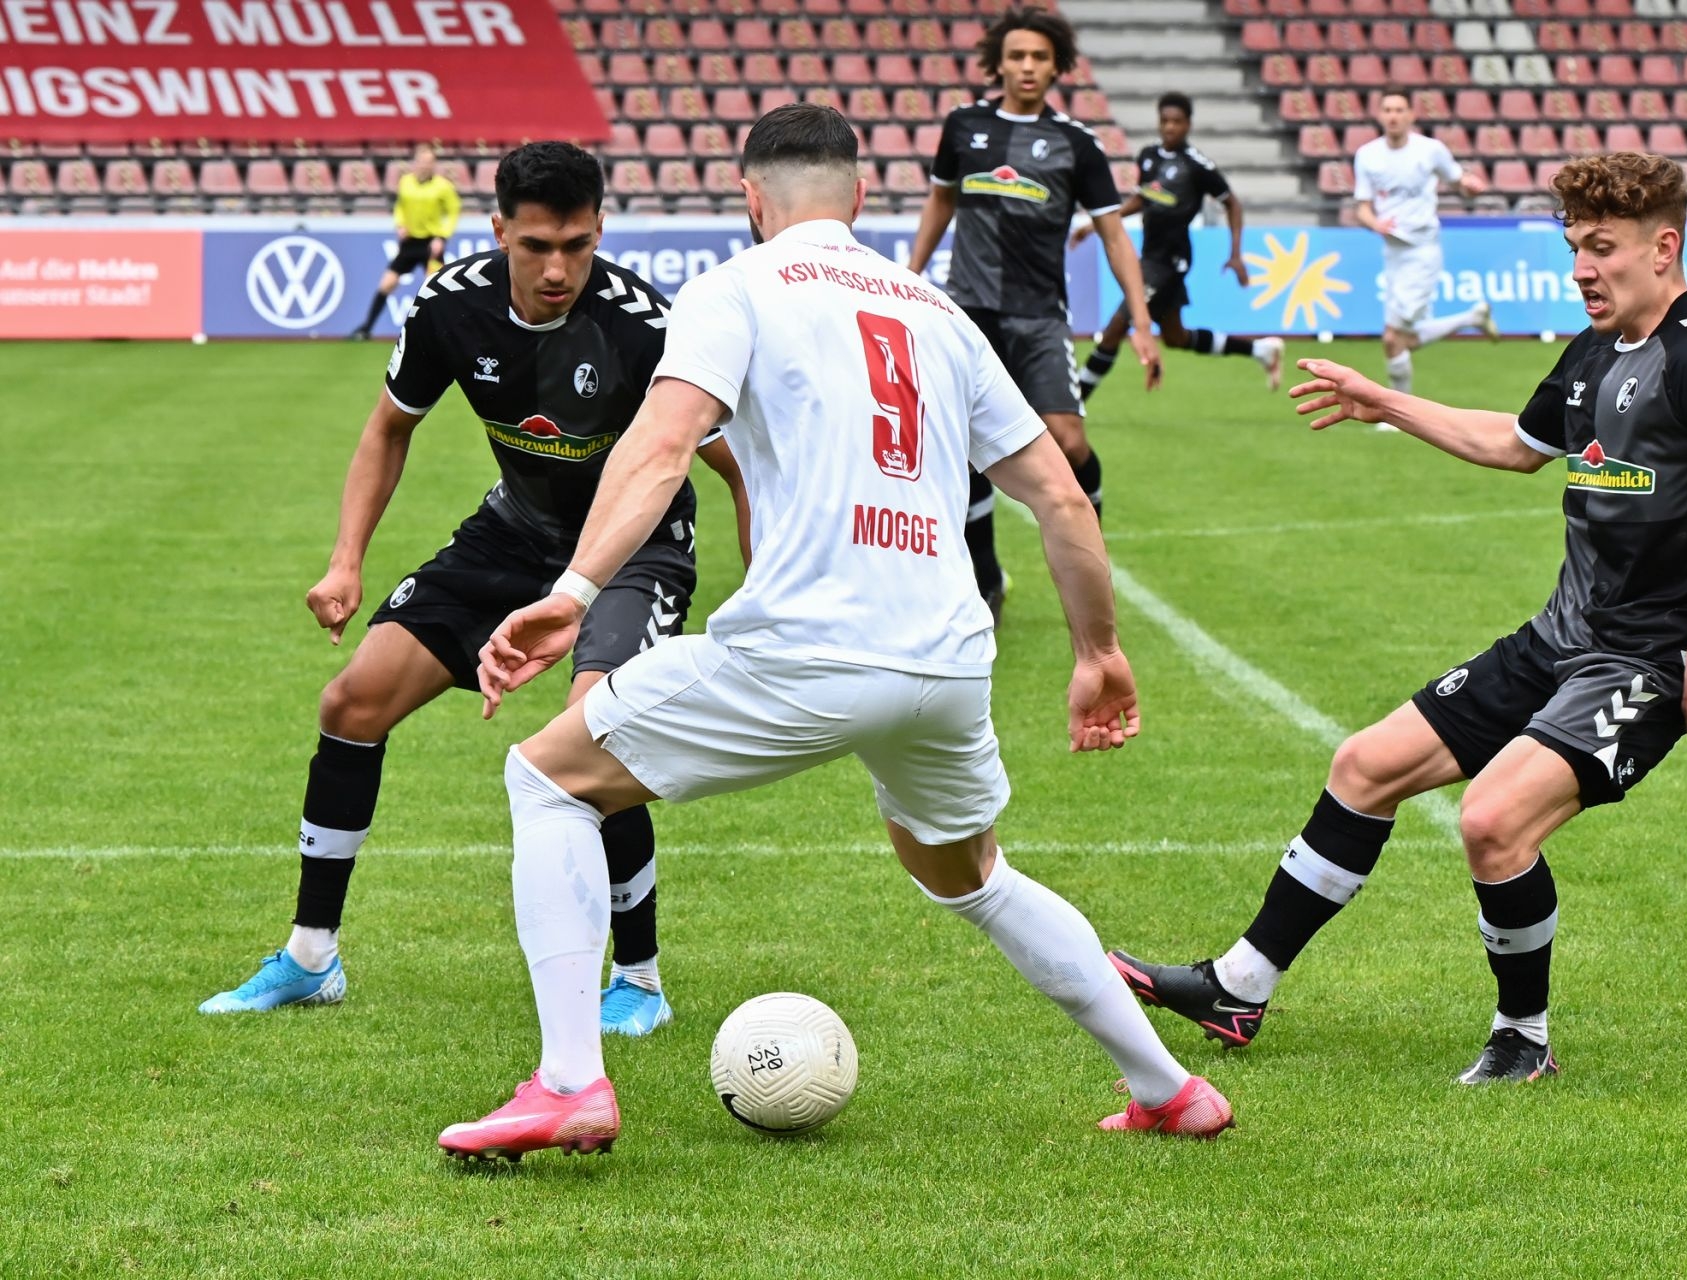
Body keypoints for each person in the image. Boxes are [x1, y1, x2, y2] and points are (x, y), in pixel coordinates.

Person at [436, 105, 1232, 1162]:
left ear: (750, 200)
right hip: (946, 661)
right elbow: (1059, 494)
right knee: (974, 875)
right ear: (859, 197)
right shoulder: (938, 312)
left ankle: (570, 1082)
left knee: (547, 780)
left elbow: (663, 443)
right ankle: (1170, 1088)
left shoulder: (735, 288)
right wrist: (1099, 653)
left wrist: (574, 590)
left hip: (806, 650)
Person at [1109, 152, 1687, 1084]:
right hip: (1560, 638)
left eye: (1602, 248)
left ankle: (1524, 1039)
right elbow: (1516, 445)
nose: (1581, 269)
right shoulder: (1595, 349)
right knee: (1366, 765)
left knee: (1491, 822)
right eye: (1575, 247)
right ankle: (1239, 986)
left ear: (1663, 248)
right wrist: (1383, 402)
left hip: (1641, 666)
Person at [200, 142, 752, 1043]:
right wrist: (345, 561)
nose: (557, 269)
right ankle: (310, 957)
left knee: (593, 733)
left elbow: (740, 467)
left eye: (576, 244)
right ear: (498, 230)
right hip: (514, 533)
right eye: (536, 246)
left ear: (600, 229)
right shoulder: (449, 306)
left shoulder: (646, 328)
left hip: (635, 548)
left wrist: (760, 588)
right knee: (353, 702)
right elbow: (389, 429)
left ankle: (640, 979)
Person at [907, 4, 1159, 625]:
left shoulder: (1077, 143)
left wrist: (1141, 321)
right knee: (965, 450)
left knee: (1067, 440)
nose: (1027, 66)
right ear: (998, 63)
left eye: (1039, 57)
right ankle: (986, 579)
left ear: (1057, 67)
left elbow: (1114, 236)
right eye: (1016, 56)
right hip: (966, 314)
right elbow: (940, 203)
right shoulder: (963, 126)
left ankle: (1091, 537)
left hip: (1040, 316)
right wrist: (909, 277)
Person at [1070, 92, 1284, 402]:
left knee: (1116, 327)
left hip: (1171, 261)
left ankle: (1074, 403)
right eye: (1165, 121)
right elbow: (1143, 199)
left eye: (1177, 121)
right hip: (1151, 256)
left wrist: (1236, 254)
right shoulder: (1148, 156)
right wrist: (1097, 224)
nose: (1170, 127)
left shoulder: (1197, 165)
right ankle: (1261, 350)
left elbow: (1233, 204)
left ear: (1188, 124)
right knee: (1176, 337)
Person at [1353, 88, 1496, 424]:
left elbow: (1458, 182)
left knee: (1393, 338)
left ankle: (1395, 417)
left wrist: (1470, 186)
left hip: (1422, 252)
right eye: (1388, 109)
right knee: (1404, 339)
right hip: (1392, 254)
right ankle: (1472, 318)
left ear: (1410, 115)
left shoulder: (1430, 150)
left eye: (1399, 109)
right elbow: (1362, 209)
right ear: (1380, 115)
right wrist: (1375, 223)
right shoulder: (1367, 155)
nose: (1393, 116)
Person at [349, 145, 462, 342]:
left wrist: (442, 237)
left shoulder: (443, 187)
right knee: (386, 284)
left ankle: (450, 332)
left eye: (429, 162)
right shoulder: (405, 182)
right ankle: (366, 328)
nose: (425, 165)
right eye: (422, 161)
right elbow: (400, 207)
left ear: (434, 164)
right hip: (409, 243)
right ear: (415, 163)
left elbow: (453, 212)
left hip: (431, 244)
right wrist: (400, 224)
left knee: (438, 290)